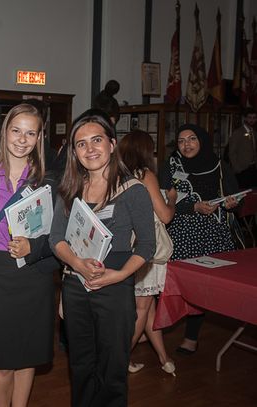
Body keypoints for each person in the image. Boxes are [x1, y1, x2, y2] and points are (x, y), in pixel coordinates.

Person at [49, 109, 155, 407]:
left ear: (111, 143)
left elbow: (147, 245)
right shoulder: (69, 189)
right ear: (74, 151)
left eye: (96, 140)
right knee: (81, 367)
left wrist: (119, 276)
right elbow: (55, 238)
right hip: (75, 286)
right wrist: (77, 264)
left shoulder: (133, 190)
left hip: (115, 286)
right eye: (81, 144)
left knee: (112, 370)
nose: (90, 149)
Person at [0, 103, 57, 407]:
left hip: (33, 275)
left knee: (27, 354)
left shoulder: (49, 180)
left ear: (39, 138)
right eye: (16, 130)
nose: (22, 139)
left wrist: (33, 247)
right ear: (5, 132)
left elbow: (60, 238)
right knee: (0, 359)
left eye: (30, 133)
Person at [159, 124, 239, 355]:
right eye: (182, 141)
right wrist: (193, 206)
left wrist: (233, 203)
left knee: (200, 288)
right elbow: (163, 200)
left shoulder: (219, 166)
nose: (187, 145)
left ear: (202, 141)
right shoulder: (170, 167)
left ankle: (191, 337)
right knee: (171, 283)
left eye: (192, 139)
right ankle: (154, 328)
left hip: (212, 233)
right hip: (180, 232)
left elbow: (233, 197)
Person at [117, 130, 176, 376]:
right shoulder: (145, 175)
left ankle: (164, 359)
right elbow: (164, 215)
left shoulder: (117, 175)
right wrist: (172, 199)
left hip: (125, 247)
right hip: (146, 249)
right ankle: (118, 362)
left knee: (148, 306)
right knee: (142, 308)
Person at [228, 108, 257, 188]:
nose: (252, 120)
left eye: (254, 118)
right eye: (250, 117)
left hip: (253, 169)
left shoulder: (254, 133)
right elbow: (232, 152)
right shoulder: (238, 133)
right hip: (242, 170)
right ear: (245, 118)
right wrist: (237, 168)